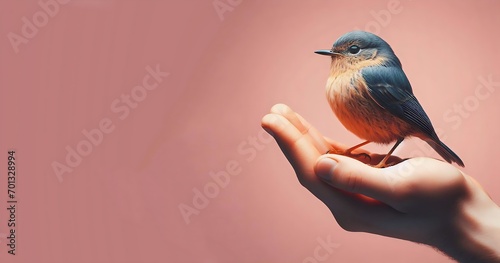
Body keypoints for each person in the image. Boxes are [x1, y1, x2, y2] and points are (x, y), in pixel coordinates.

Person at [261, 104, 500, 263]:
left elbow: (400, 119)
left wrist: (457, 217)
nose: (337, 55)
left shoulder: (371, 75)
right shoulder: (337, 83)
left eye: (351, 50)